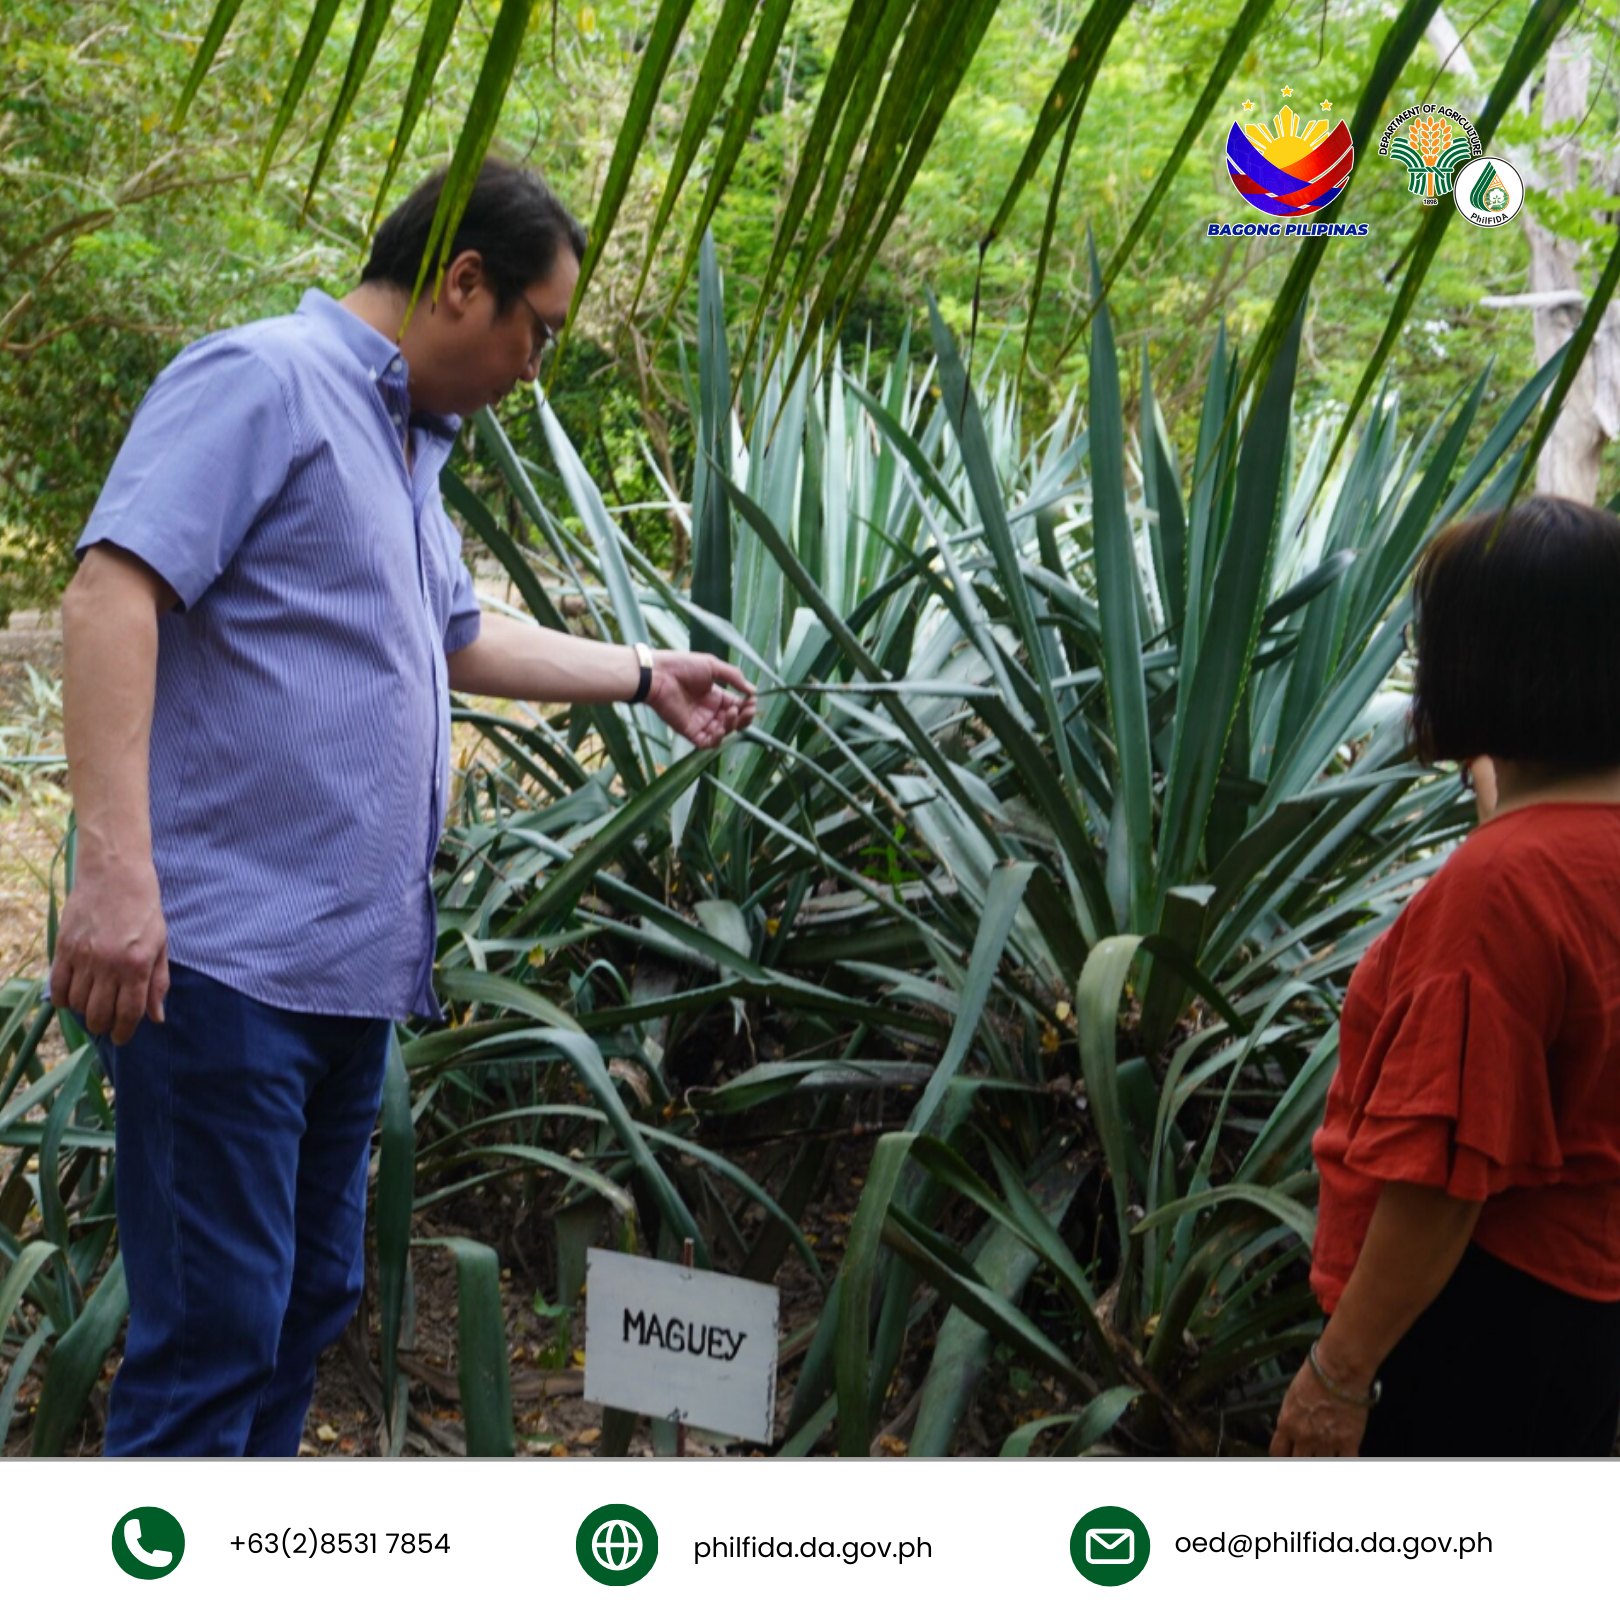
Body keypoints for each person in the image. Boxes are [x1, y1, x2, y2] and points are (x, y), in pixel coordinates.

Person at [47, 158, 756, 1457]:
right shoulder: (262, 379)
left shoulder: (406, 442)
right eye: (537, 329)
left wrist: (647, 674)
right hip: (218, 962)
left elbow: (455, 636)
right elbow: (111, 594)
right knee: (216, 1333)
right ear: (463, 282)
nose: (537, 366)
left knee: (304, 1303)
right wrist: (115, 876)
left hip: (346, 973)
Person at [1271, 495, 1620, 1458]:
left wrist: (1337, 1377)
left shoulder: (1500, 889)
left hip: (1480, 1320)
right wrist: (1496, 804)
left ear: (1481, 662)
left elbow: (1445, 1182)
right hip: (1589, 1312)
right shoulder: (1556, 855)